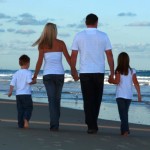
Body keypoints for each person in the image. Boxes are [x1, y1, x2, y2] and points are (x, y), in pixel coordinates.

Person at [71, 13, 114, 134]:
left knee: (88, 99)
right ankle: (92, 123)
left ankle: (91, 124)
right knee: (96, 99)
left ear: (86, 22)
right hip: (99, 71)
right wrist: (112, 72)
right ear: (96, 22)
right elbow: (109, 55)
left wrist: (73, 70)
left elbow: (74, 55)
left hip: (85, 71)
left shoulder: (79, 36)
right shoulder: (103, 36)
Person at [32, 23, 71, 131]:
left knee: (52, 100)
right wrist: (74, 70)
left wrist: (35, 76)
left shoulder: (42, 45)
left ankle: (54, 124)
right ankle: (55, 123)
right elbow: (69, 58)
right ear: (55, 31)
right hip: (59, 75)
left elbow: (39, 62)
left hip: (48, 75)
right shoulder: (61, 43)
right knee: (56, 100)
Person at [108, 52, 141, 136]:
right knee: (124, 113)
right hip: (129, 96)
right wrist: (139, 95)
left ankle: (125, 131)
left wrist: (110, 80)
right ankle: (124, 131)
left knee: (123, 114)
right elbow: (136, 83)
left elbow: (117, 81)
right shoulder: (132, 71)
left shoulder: (118, 70)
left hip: (120, 95)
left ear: (119, 60)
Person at [8, 54, 36, 128]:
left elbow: (12, 83)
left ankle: (20, 124)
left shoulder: (16, 73)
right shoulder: (28, 72)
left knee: (20, 110)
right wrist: (34, 81)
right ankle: (26, 119)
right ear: (27, 63)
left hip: (18, 95)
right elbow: (29, 82)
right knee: (29, 107)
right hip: (26, 94)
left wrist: (10, 92)